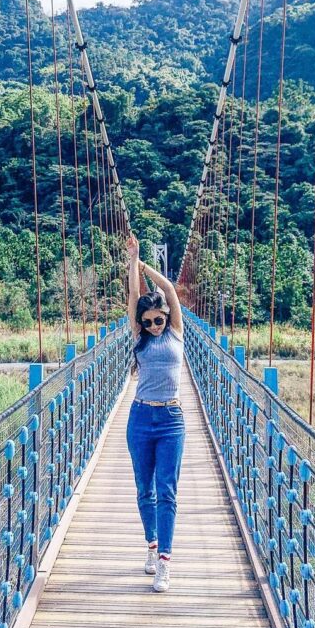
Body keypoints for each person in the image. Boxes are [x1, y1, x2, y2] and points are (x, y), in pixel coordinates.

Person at [126, 234, 185, 593]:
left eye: (157, 320)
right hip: (140, 418)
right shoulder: (140, 336)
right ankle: (150, 546)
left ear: (166, 317)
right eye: (147, 322)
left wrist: (146, 265)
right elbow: (134, 298)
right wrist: (132, 263)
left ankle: (165, 561)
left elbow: (173, 293)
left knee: (168, 492)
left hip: (172, 420)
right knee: (143, 490)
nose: (153, 326)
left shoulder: (176, 331)